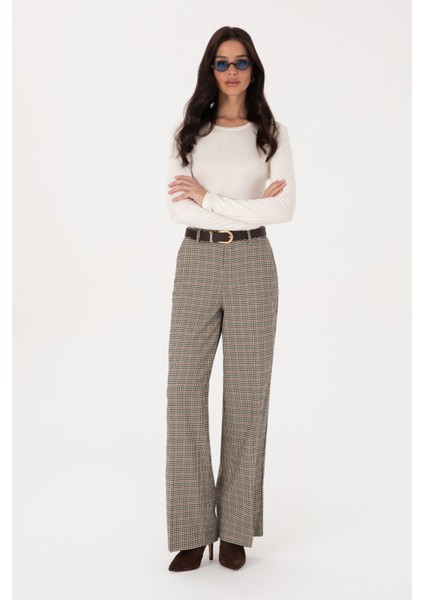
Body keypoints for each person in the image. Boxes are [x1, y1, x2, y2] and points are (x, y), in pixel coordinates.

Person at [165, 26, 296, 572]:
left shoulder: (272, 134)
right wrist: (242, 203)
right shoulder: (188, 133)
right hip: (196, 260)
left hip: (252, 263)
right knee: (183, 393)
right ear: (210, 70)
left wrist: (210, 197)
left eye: (241, 62)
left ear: (253, 69)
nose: (232, 71)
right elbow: (179, 209)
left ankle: (236, 528)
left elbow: (283, 211)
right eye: (222, 63)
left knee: (246, 396)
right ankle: (194, 530)